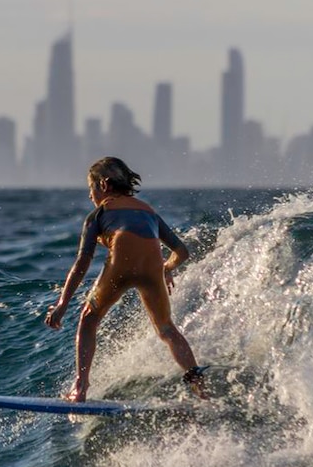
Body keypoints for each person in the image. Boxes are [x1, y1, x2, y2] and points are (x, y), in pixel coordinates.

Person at [45, 156, 205, 402]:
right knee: (166, 329)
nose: (90, 195)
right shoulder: (150, 213)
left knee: (88, 319)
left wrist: (62, 304)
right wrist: (166, 268)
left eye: (91, 188)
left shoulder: (98, 215)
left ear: (104, 185)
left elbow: (82, 262)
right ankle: (200, 390)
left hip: (119, 268)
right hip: (152, 272)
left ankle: (80, 388)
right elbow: (182, 252)